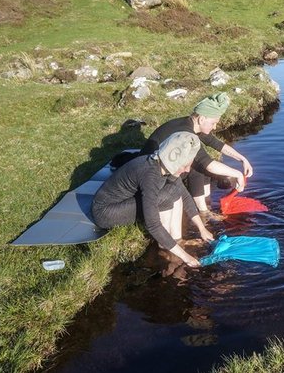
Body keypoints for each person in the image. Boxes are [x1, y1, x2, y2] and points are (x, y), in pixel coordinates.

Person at [92, 132, 213, 267]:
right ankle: (164, 247)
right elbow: (153, 224)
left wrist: (202, 228)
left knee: (174, 190)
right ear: (173, 161)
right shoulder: (150, 174)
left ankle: (176, 240)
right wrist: (186, 257)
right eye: (184, 165)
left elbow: (184, 195)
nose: (187, 169)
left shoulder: (163, 164)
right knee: (168, 194)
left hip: (123, 201)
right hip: (105, 212)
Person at [139, 92, 253, 222]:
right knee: (197, 166)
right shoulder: (187, 133)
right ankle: (204, 212)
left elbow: (216, 143)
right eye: (213, 123)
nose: (215, 127)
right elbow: (207, 164)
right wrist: (237, 174)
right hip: (151, 176)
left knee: (200, 165)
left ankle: (206, 205)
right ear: (202, 119)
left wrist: (243, 159)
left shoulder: (191, 124)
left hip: (156, 166)